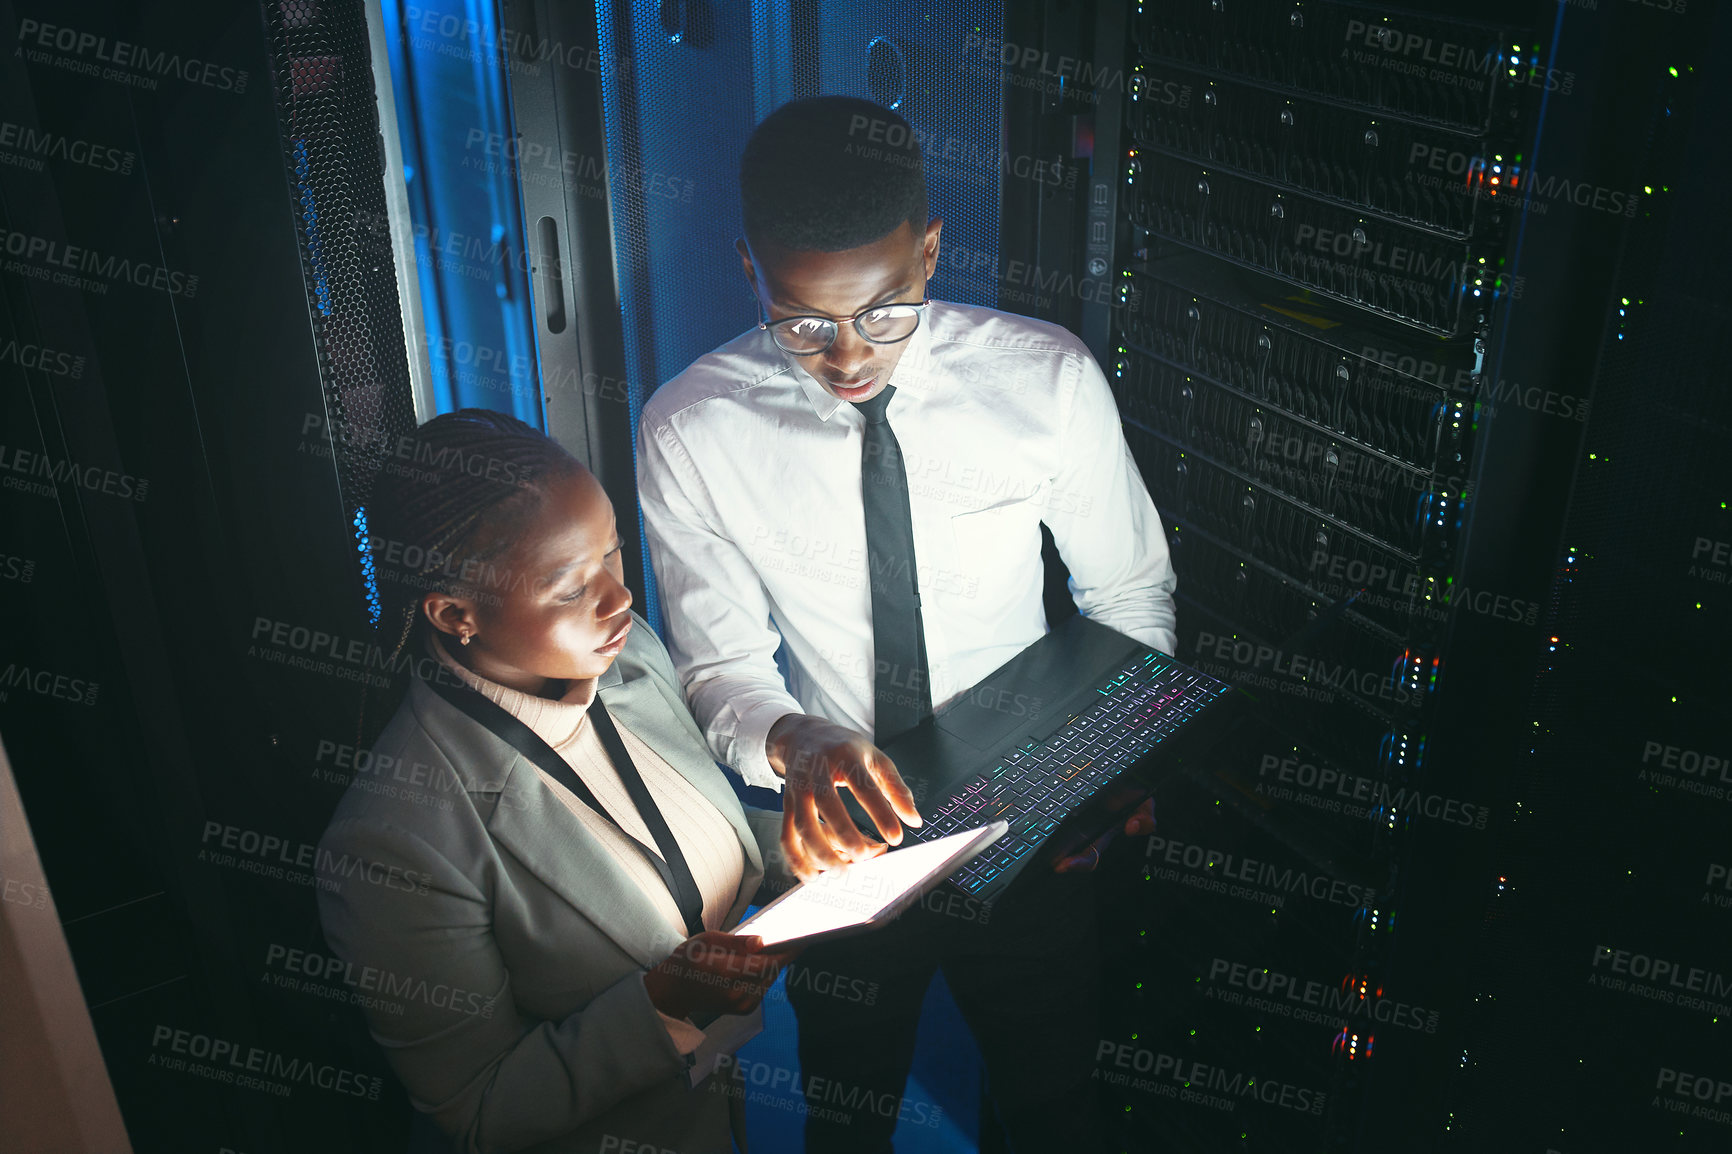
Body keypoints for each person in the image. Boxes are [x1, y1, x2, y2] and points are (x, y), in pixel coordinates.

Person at [636, 96, 1177, 1152]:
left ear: (929, 252)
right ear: (749, 268)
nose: (847, 357)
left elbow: (1127, 600)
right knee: (846, 1117)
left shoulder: (1047, 379)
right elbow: (721, 670)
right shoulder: (689, 429)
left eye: (884, 310)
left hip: (1032, 819)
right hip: (842, 846)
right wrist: (795, 739)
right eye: (804, 322)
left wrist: (1116, 757)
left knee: (1053, 1110)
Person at [316, 409, 795, 1154]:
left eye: (614, 554)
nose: (618, 600)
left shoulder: (627, 656)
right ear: (454, 613)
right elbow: (477, 1109)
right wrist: (660, 1007)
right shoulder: (395, 839)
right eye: (571, 588)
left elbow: (682, 824)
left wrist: (805, 845)